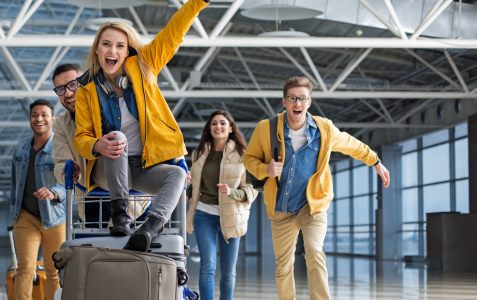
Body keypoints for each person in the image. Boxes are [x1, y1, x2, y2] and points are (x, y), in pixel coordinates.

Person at [74, 0, 210, 252]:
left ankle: (150, 227)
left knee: (178, 175)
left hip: (145, 167)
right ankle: (121, 218)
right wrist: (96, 144)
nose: (111, 50)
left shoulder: (145, 66)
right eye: (106, 44)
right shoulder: (86, 91)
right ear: (97, 50)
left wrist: (196, 3)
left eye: (119, 45)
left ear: (127, 52)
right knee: (116, 137)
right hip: (110, 170)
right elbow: (80, 137)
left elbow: (172, 35)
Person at [243, 77, 391, 300]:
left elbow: (351, 144)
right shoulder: (266, 128)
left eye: (302, 98)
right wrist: (266, 169)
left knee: (314, 253)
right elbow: (248, 159)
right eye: (292, 98)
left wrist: (375, 161)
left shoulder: (324, 129)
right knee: (283, 265)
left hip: (313, 206)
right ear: (284, 102)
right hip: (282, 208)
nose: (297, 103)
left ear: (309, 102)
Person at [50, 63, 149, 228]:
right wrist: (68, 172)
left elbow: (157, 133)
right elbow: (61, 161)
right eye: (60, 89)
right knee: (99, 252)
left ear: (87, 82)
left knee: (136, 252)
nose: (68, 93)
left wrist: (174, 160)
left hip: (134, 202)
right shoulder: (62, 123)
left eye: (73, 85)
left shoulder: (118, 104)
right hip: (93, 201)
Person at [186, 110, 258, 300]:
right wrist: (186, 192)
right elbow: (195, 182)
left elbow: (252, 189)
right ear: (209, 128)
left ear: (231, 127)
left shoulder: (244, 155)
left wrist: (232, 192)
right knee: (207, 266)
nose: (218, 126)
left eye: (222, 123)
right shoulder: (199, 153)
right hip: (204, 214)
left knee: (228, 272)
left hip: (232, 216)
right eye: (214, 123)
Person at [10, 99, 66, 300]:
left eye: (43, 114)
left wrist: (54, 193)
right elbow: (14, 184)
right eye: (35, 115)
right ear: (30, 119)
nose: (39, 118)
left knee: (54, 272)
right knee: (24, 270)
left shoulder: (60, 148)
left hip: (55, 218)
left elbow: (71, 182)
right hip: (26, 217)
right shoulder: (20, 148)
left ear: (52, 118)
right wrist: (14, 215)